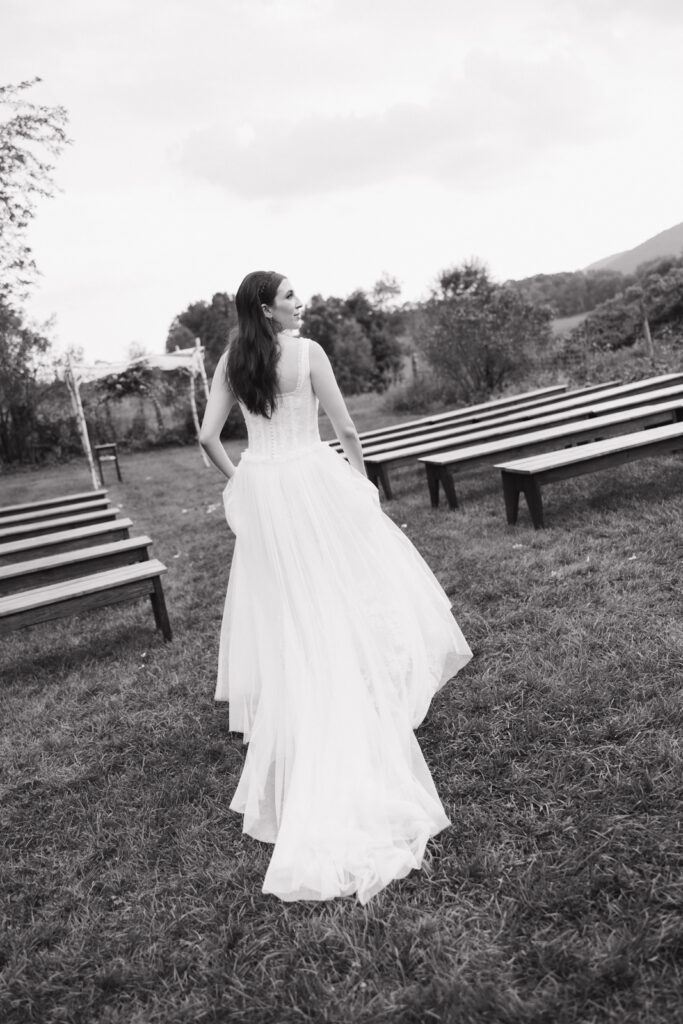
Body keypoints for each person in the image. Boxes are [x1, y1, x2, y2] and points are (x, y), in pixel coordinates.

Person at [199, 270, 472, 904]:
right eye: (290, 295)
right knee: (339, 588)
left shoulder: (232, 360)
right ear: (268, 307)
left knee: (287, 604)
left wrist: (242, 478)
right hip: (313, 479)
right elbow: (346, 429)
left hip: (267, 487)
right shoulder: (307, 353)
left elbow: (208, 437)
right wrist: (361, 480)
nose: (301, 302)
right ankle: (351, 688)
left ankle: (301, 695)